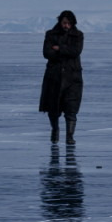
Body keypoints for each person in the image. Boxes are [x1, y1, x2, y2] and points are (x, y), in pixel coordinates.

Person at [39, 10, 84, 144]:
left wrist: (59, 49)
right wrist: (65, 51)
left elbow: (76, 51)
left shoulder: (78, 35)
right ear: (60, 22)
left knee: (71, 108)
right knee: (53, 109)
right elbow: (47, 53)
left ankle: (70, 137)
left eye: (69, 23)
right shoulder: (51, 34)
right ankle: (55, 131)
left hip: (73, 77)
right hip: (54, 77)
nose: (66, 26)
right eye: (64, 23)